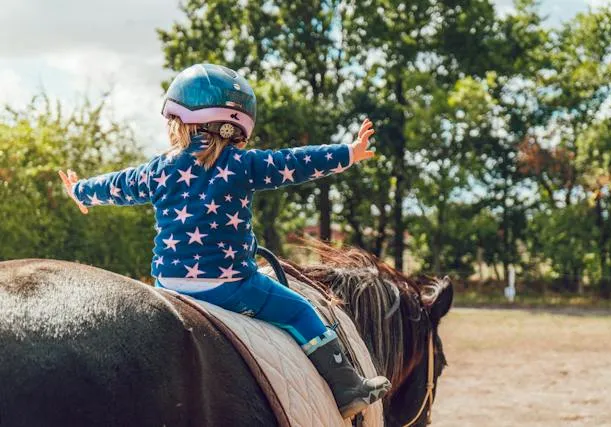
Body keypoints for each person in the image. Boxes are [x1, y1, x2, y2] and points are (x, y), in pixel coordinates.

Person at [59, 64, 390, 418]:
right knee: (299, 310)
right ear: (239, 127)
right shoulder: (243, 164)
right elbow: (295, 162)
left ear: (177, 121)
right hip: (230, 286)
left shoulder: (158, 168)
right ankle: (346, 387)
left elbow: (119, 185)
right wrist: (348, 154)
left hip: (169, 286)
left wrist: (81, 191)